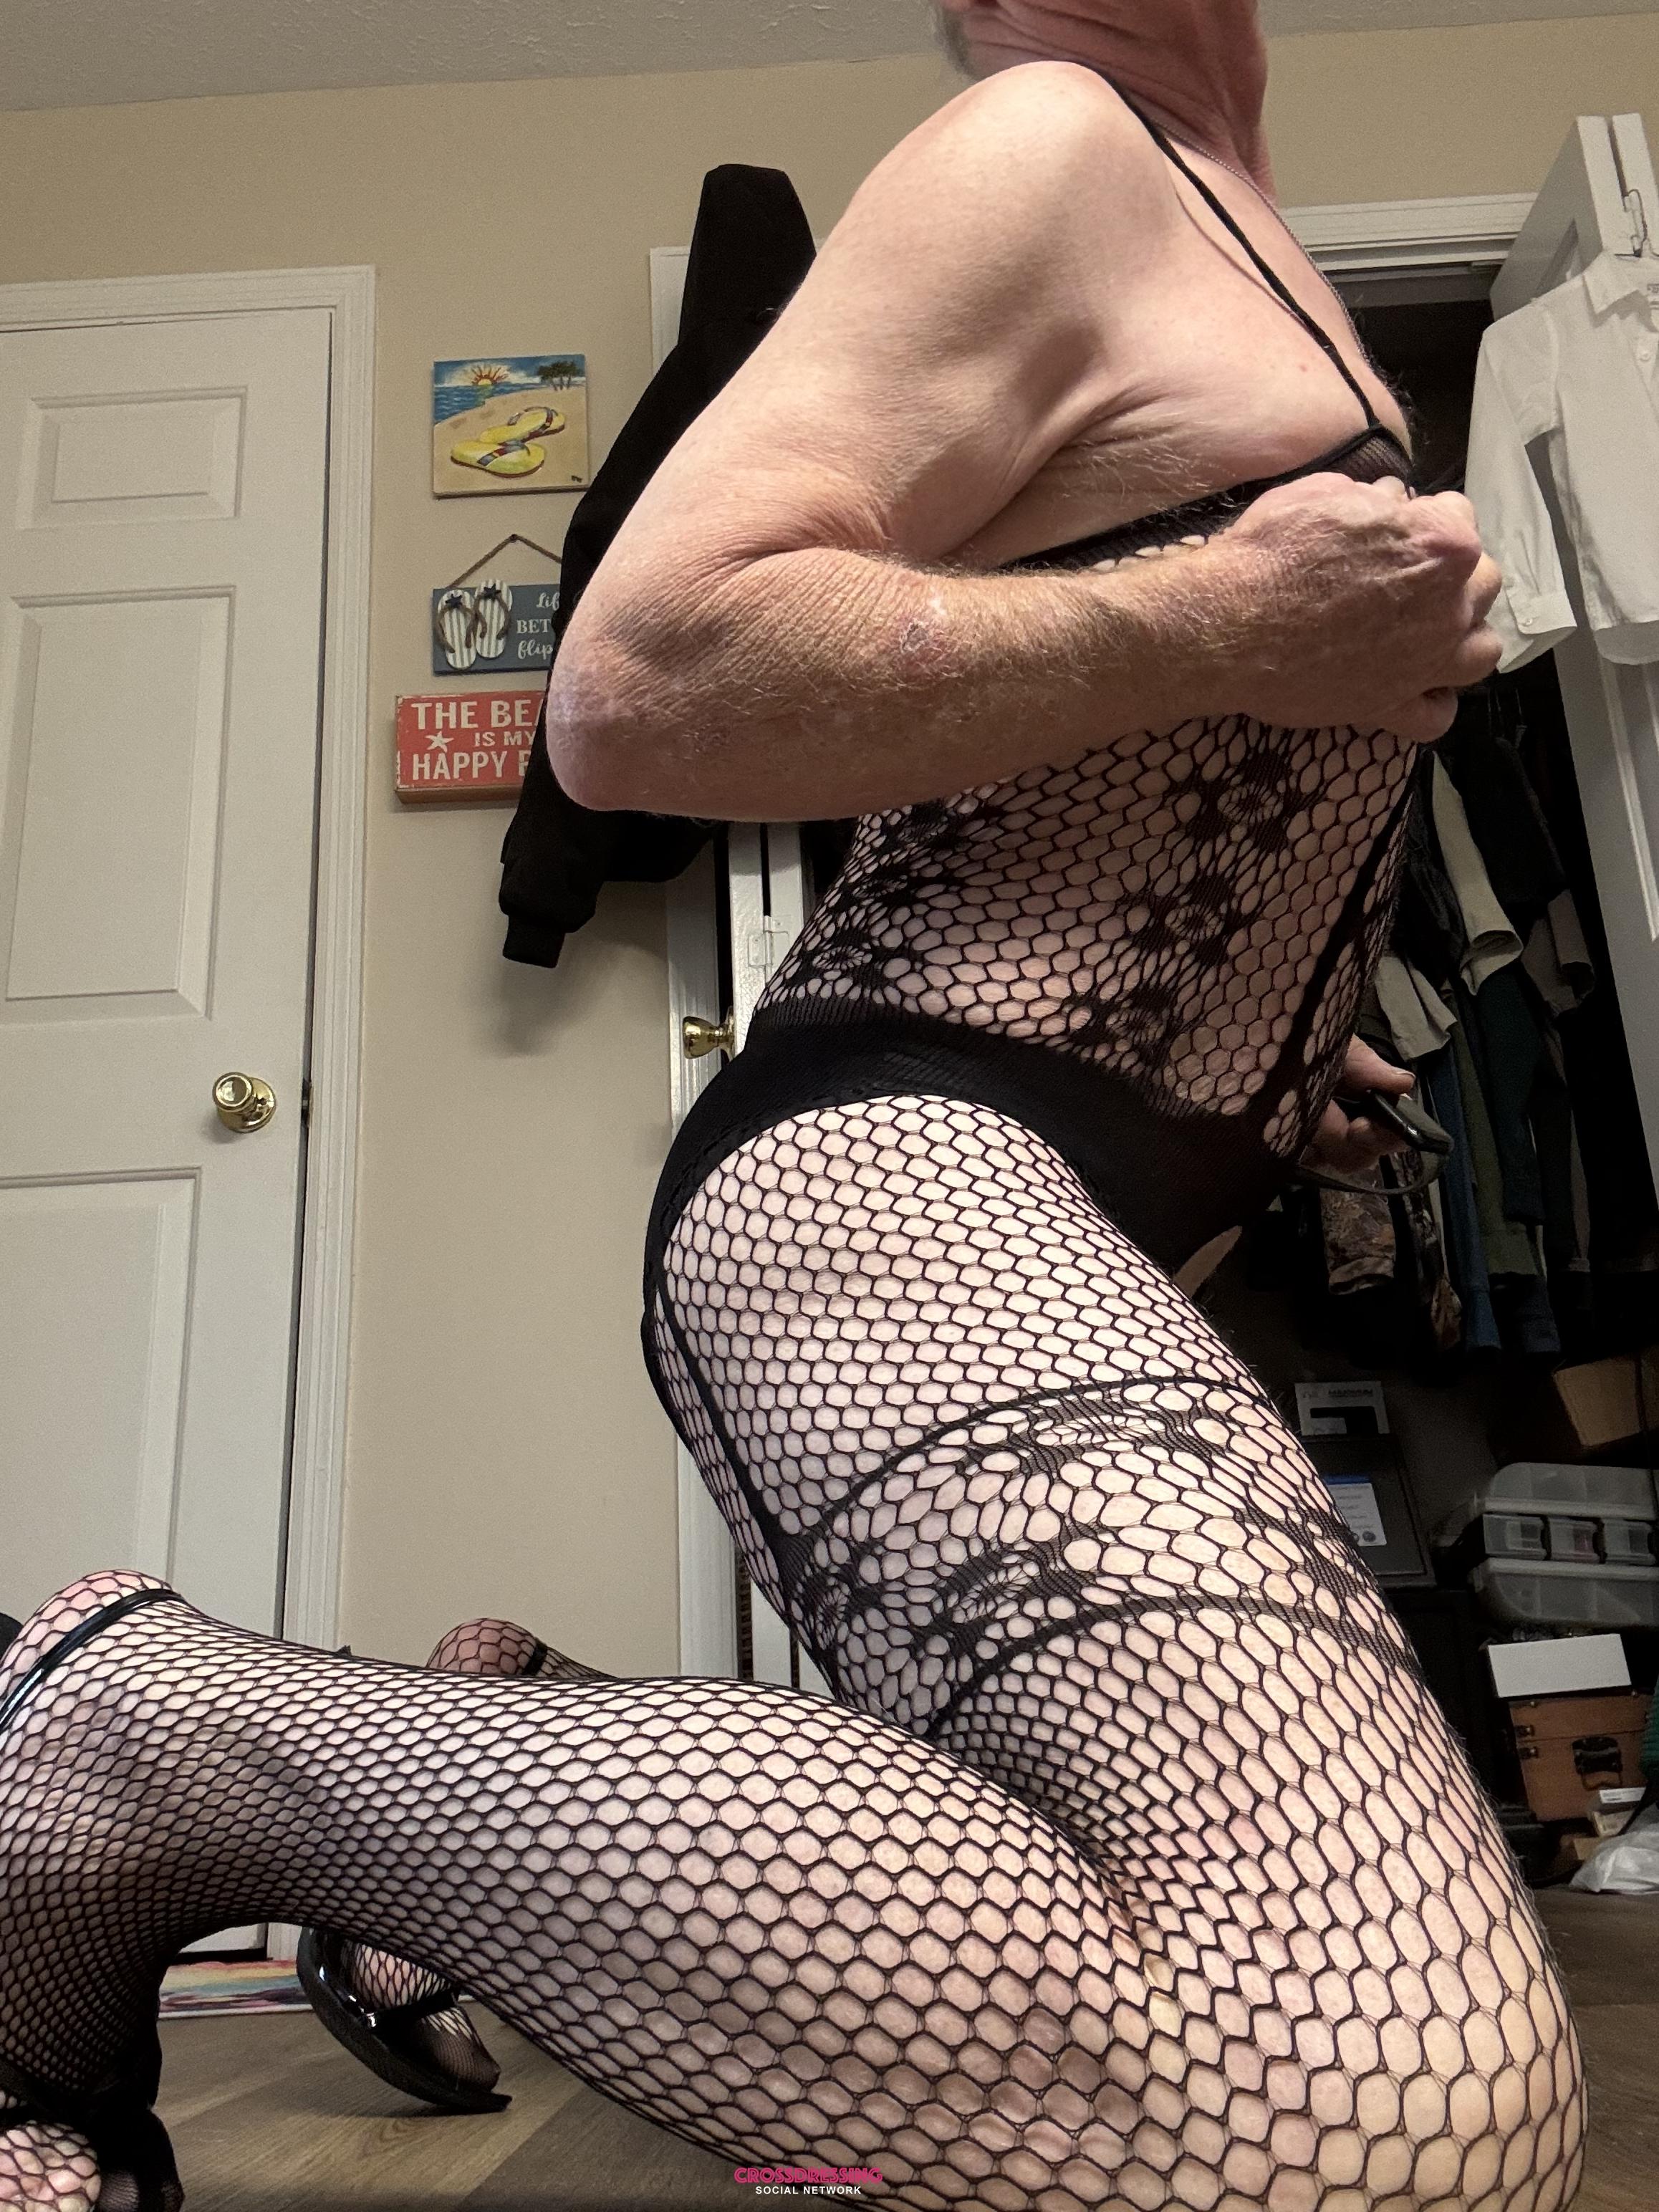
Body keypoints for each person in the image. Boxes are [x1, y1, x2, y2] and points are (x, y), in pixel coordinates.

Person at [0, 9, 1582, 2209]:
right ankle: (144, 1741)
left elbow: (1138, 765)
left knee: (1129, 1922)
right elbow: (640, 690)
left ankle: (499, 1713)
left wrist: (1253, 1045)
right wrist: (1228, 617)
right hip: (892, 1166)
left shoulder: (1223, 205)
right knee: (1359, 2098)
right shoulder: (1050, 143)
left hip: (1086, 1179)